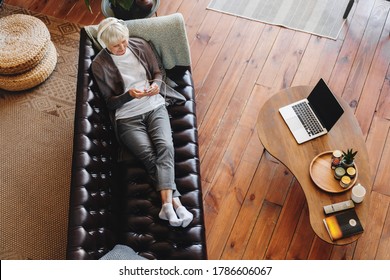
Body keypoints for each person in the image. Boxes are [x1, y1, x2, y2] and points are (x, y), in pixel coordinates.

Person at [91, 17, 193, 227]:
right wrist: (129, 95)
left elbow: (157, 72)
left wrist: (156, 84)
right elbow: (110, 103)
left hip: (154, 105)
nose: (121, 47)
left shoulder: (140, 45)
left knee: (165, 145)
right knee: (149, 154)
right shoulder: (99, 65)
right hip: (127, 118)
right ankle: (176, 204)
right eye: (115, 45)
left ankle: (167, 207)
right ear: (105, 45)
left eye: (123, 42)